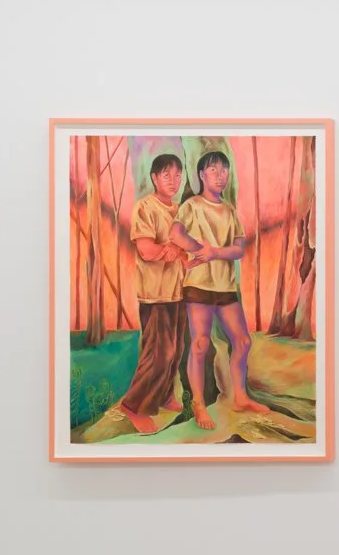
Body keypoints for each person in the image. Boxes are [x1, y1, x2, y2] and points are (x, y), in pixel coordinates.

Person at [172, 151, 271, 431]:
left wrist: (214, 252)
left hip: (225, 286)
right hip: (198, 284)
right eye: (213, 170)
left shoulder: (229, 210)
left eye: (224, 170)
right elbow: (175, 234)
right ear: (201, 175)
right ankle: (199, 404)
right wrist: (198, 250)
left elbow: (239, 249)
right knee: (200, 344)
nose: (220, 175)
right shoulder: (191, 205)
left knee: (243, 341)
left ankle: (240, 397)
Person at [115, 154, 191, 435]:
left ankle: (164, 396)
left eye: (178, 175)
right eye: (166, 175)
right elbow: (146, 250)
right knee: (159, 353)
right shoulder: (145, 207)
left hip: (178, 292)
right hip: (154, 294)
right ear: (155, 178)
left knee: (176, 350)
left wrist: (179, 251)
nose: (173, 180)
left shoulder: (181, 210)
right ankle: (133, 406)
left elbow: (188, 253)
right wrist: (170, 250)